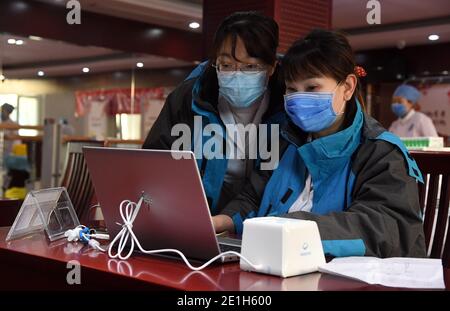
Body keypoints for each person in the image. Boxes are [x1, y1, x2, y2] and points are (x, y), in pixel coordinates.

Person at [213, 29, 426, 258]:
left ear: (347, 87)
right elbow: (252, 198)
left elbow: (384, 227)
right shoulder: (284, 140)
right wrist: (216, 222)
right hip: (270, 263)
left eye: (312, 88)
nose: (299, 98)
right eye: (292, 89)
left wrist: (290, 227)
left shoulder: (381, 152)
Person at [142, 12, 285, 215]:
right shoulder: (190, 97)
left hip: (264, 222)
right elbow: (154, 160)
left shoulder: (286, 107)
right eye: (226, 65)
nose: (236, 75)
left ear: (271, 68)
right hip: (194, 217)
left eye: (251, 66)